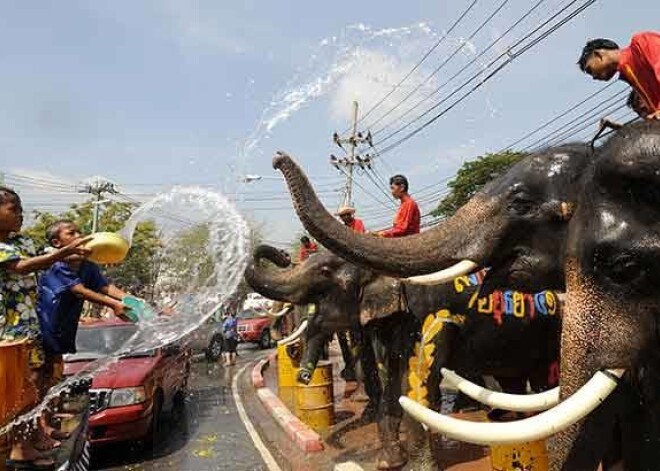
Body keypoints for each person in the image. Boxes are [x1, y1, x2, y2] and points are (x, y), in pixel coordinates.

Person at [0, 187, 90, 468]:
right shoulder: (4, 249)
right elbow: (23, 267)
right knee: (17, 394)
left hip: (32, 328)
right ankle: (19, 448)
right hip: (8, 333)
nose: (20, 214)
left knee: (33, 391)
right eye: (13, 209)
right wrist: (63, 251)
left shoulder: (23, 241)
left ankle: (29, 442)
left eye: (20, 209)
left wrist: (84, 249)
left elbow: (54, 255)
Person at [37, 220, 133, 388]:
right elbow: (79, 290)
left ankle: (49, 411)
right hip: (43, 332)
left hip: (63, 331)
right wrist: (113, 305)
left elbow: (105, 287)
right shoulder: (55, 265)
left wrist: (129, 299)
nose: (79, 236)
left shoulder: (88, 266)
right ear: (56, 243)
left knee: (55, 376)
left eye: (79, 232)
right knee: (40, 376)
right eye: (71, 233)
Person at [577, 33, 660, 120]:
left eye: (590, 70)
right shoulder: (630, 76)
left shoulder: (641, 42)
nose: (594, 77)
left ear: (598, 55)